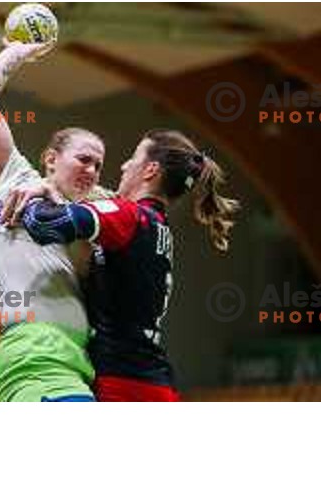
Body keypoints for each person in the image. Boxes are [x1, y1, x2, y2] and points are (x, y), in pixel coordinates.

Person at [17, 129, 240, 401]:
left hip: (125, 385)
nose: (123, 166)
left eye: (133, 158)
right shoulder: (157, 226)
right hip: (152, 382)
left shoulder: (130, 217)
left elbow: (44, 224)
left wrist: (41, 192)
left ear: (150, 170)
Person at [0, 40, 106, 401]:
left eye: (98, 165)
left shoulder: (101, 209)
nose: (91, 171)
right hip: (34, 353)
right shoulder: (15, 177)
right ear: (50, 158)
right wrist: (18, 51)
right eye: (84, 159)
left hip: (79, 359)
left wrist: (55, 199)